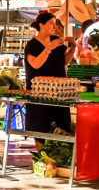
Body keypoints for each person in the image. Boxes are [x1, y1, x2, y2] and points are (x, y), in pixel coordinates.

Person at [24, 12, 73, 142]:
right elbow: (35, 64)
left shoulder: (55, 42)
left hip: (59, 92)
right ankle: (41, 158)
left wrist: (73, 48)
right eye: (51, 23)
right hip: (40, 93)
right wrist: (48, 49)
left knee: (62, 126)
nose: (54, 26)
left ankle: (57, 159)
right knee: (40, 128)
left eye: (55, 23)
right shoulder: (32, 45)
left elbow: (64, 61)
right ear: (41, 25)